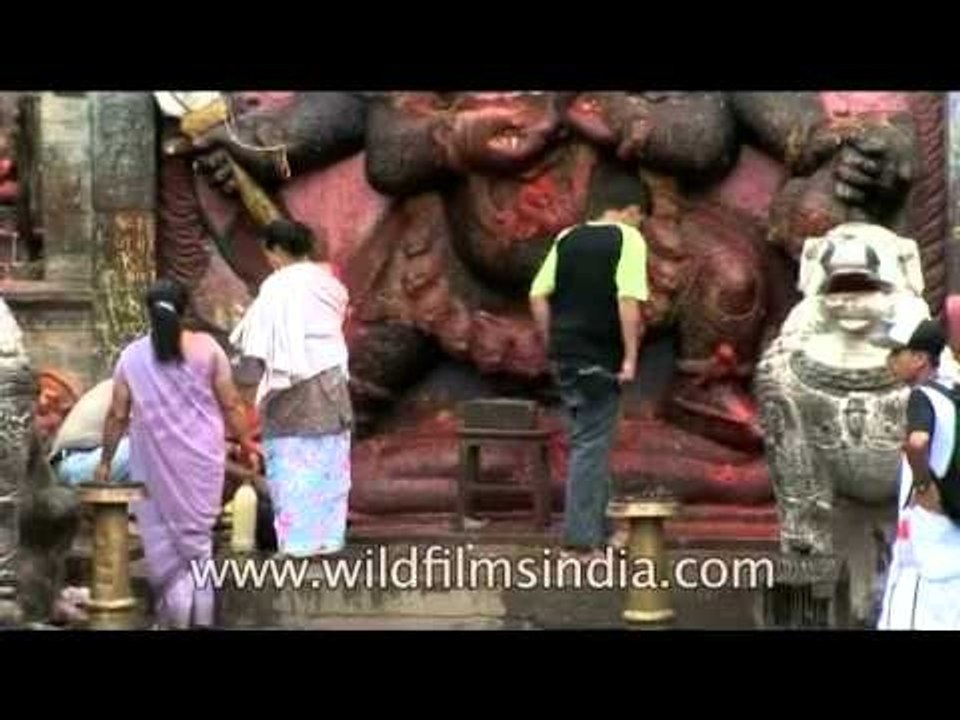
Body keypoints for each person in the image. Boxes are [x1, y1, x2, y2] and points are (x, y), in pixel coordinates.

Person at [94, 278, 256, 629]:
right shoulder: (208, 348)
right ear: (184, 310)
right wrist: (247, 445)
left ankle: (173, 621)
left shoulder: (131, 356)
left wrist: (106, 461)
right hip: (202, 463)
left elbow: (118, 414)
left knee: (165, 550)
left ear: (147, 312)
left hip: (152, 466)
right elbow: (231, 403)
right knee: (197, 547)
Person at [529, 192, 649, 558]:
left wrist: (554, 340)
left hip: (567, 354)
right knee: (589, 445)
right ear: (630, 211)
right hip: (600, 356)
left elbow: (537, 294)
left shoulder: (567, 237)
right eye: (640, 219)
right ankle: (581, 542)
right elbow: (628, 299)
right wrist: (630, 357)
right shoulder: (627, 237)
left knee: (591, 439)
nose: (640, 226)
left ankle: (610, 528)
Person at [230, 219, 353, 558]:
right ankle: (328, 538)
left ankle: (298, 543)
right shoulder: (328, 282)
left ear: (276, 250)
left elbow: (254, 339)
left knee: (293, 460)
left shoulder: (278, 286)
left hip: (292, 385)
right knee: (328, 459)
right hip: (330, 379)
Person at [878, 316, 960, 630]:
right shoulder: (954, 393)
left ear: (921, 359)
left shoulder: (922, 396)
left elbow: (917, 441)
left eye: (898, 352)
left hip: (926, 543)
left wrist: (924, 485)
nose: (890, 360)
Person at [47, 379, 131, 486]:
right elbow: (119, 418)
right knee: (145, 444)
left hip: (74, 462)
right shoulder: (135, 382)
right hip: (75, 463)